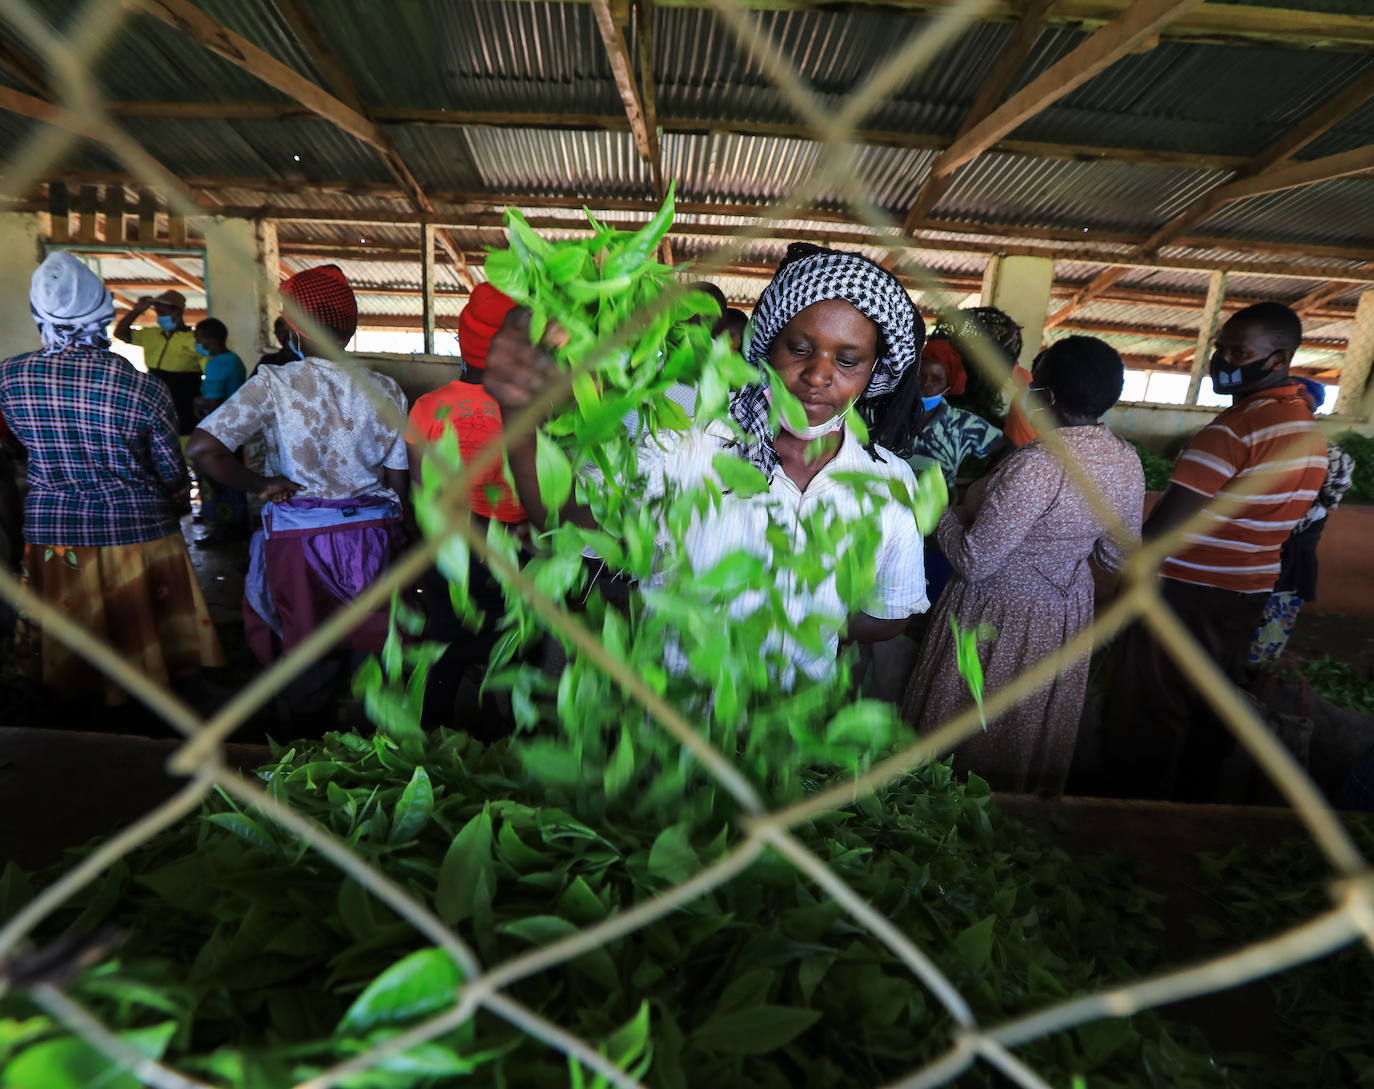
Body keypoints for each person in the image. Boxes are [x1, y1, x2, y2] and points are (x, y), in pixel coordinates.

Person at [483, 242, 929, 686]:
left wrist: (807, 622)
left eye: (847, 360)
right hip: (671, 719)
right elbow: (570, 521)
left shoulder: (888, 483)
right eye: (799, 349)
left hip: (787, 733)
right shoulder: (691, 441)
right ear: (769, 345)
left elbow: (889, 614)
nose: (817, 375)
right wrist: (520, 418)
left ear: (874, 372)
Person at [1100, 303, 1328, 800]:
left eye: (1239, 351)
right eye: (1220, 348)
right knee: (1210, 703)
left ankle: (1123, 818)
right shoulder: (1306, 430)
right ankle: (1193, 810)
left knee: (1147, 710)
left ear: (1279, 358)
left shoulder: (1234, 429)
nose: (1222, 360)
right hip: (1246, 592)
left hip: (1185, 592)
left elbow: (1167, 527)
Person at [901, 336, 1143, 795]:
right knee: (1027, 723)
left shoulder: (1039, 463)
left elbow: (975, 559)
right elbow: (1115, 555)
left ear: (1048, 397)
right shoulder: (1124, 460)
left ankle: (949, 803)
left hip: (1001, 611)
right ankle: (1015, 806)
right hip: (1063, 613)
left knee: (971, 719)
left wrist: (941, 509)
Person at [187, 265, 410, 730]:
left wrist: (259, 486)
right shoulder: (387, 389)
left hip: (300, 541)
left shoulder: (275, 383)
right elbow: (397, 480)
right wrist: (399, 536)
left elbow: (204, 448)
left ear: (294, 328)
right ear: (350, 329)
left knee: (307, 649)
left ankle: (307, 755)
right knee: (373, 652)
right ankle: (376, 751)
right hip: (372, 536)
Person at [0, 253, 223, 705]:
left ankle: (76, 712)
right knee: (143, 635)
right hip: (140, 532)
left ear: (38, 312)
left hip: (54, 533)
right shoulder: (143, 388)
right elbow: (172, 473)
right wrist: (177, 497)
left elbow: (20, 450)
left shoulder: (9, 377)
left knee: (70, 649)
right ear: (104, 311)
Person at [406, 282, 525, 730]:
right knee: (507, 643)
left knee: (445, 640)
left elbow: (421, 490)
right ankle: (499, 741)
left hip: (449, 543)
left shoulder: (428, 407)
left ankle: (432, 736)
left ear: (462, 341)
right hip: (513, 545)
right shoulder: (532, 408)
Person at [1248, 377, 1353, 666]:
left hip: (1264, 549)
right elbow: (1332, 498)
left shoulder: (1257, 441)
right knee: (1273, 618)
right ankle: (1256, 669)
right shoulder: (1332, 454)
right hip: (1289, 550)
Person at [190, 318, 248, 546]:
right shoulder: (235, 360)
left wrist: (198, 402)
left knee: (216, 480)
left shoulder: (216, 363)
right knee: (233, 477)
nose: (197, 342)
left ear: (209, 338)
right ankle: (237, 525)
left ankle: (222, 530)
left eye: (199, 337)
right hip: (236, 430)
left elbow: (213, 404)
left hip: (218, 431)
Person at [114, 288, 201, 435]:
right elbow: (120, 333)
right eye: (158, 313)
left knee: (183, 430)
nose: (159, 317)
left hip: (184, 393)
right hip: (154, 389)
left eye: (163, 313)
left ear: (177, 312)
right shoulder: (151, 334)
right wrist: (136, 311)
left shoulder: (195, 339)